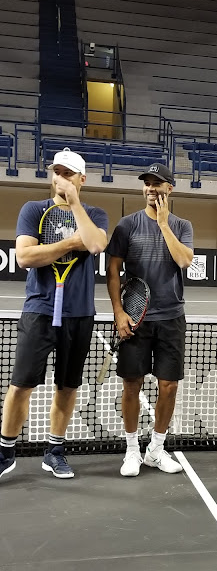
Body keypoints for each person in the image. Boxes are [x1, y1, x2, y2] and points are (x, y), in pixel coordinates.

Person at [0, 147, 108, 479]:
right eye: (56, 172)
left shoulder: (95, 214)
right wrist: (69, 243)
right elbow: (25, 257)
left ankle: (54, 451)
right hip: (39, 310)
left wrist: (74, 204)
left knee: (67, 386)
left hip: (80, 314)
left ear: (81, 179)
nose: (60, 178)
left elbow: (96, 244)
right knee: (20, 385)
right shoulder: (34, 210)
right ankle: (5, 453)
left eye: (67, 173)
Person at [106, 163, 193, 477]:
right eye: (147, 183)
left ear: (170, 188)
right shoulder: (127, 225)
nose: (151, 189)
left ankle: (156, 450)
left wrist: (164, 224)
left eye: (158, 183)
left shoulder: (182, 226)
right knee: (132, 385)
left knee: (169, 386)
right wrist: (118, 312)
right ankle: (132, 451)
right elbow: (113, 271)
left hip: (171, 318)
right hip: (135, 318)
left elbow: (184, 260)